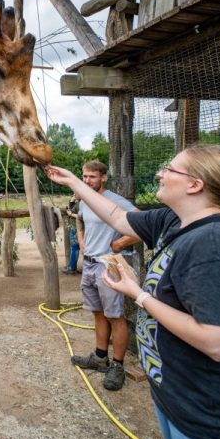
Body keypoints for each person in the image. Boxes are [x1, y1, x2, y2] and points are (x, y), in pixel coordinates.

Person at [46, 145, 220, 439]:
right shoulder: (173, 221)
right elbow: (118, 216)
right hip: (184, 401)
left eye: (170, 169)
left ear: (195, 185)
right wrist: (73, 182)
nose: (160, 174)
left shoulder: (216, 243)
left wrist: (139, 295)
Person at [67, 160, 140, 391]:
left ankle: (117, 366)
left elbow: (141, 223)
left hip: (107, 265)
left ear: (104, 177)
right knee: (98, 313)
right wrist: (81, 239)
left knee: (115, 316)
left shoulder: (115, 201)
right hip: (88, 265)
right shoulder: (86, 200)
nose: (87, 181)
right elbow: (80, 219)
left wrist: (119, 243)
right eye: (84, 177)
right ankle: (100, 358)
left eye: (92, 177)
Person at [61, 194, 82, 275]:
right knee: (75, 248)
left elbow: (81, 215)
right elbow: (72, 208)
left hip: (76, 228)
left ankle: (72, 268)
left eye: (76, 192)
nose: (74, 194)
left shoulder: (82, 204)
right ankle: (71, 266)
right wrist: (72, 200)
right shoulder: (79, 202)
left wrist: (70, 214)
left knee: (74, 248)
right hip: (75, 227)